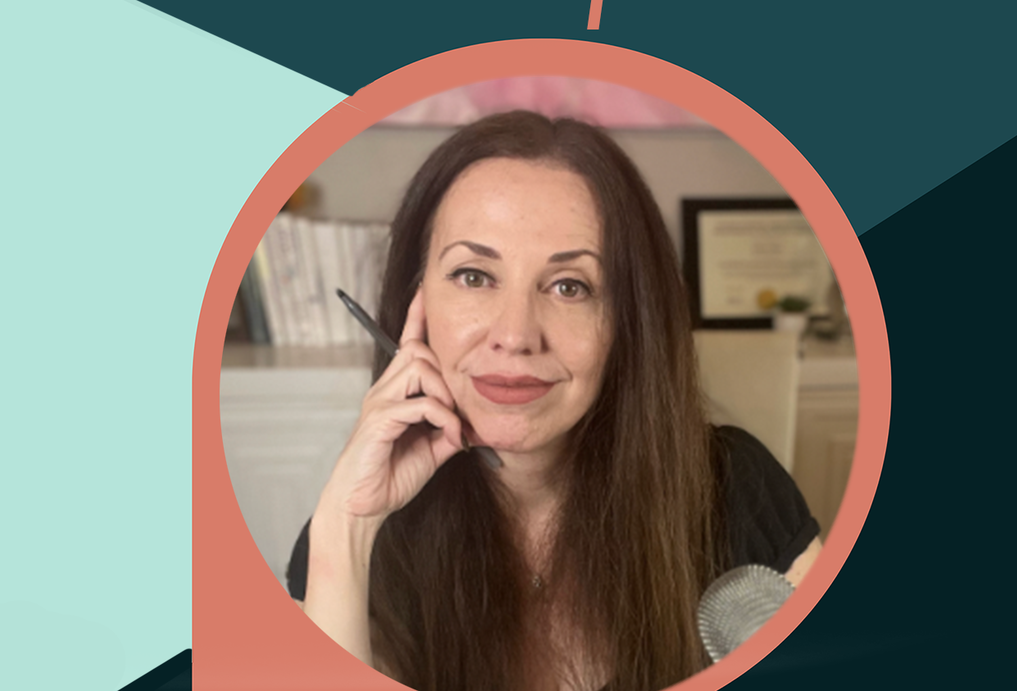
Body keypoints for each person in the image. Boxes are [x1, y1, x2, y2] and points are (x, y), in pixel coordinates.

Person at [286, 111, 822, 691]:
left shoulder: (737, 491)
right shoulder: (351, 538)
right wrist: (346, 528)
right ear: (417, 304)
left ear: (629, 323)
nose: (515, 334)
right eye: (473, 276)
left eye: (571, 287)